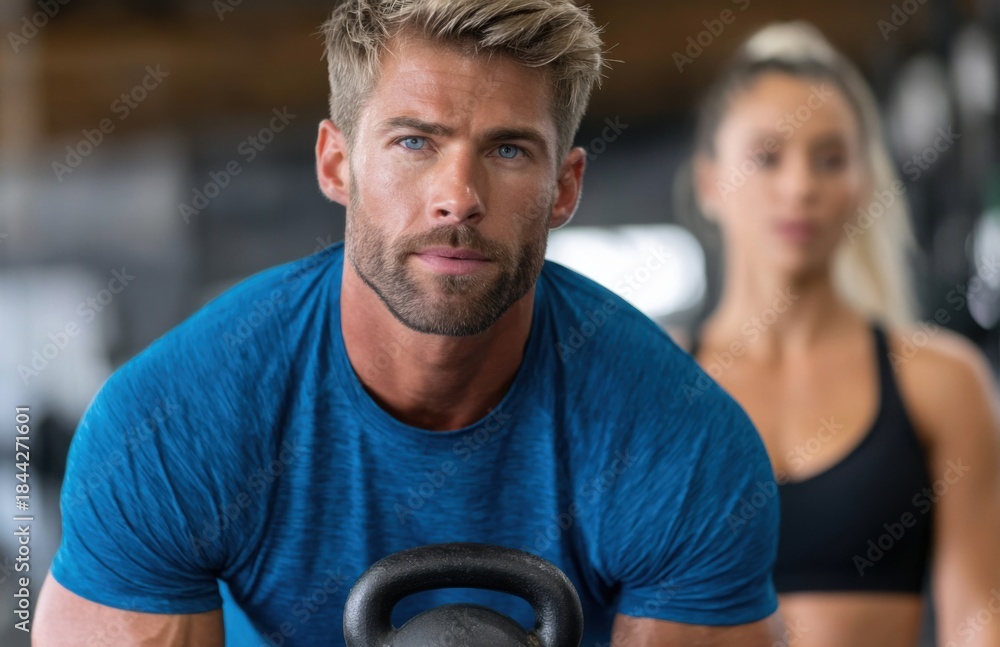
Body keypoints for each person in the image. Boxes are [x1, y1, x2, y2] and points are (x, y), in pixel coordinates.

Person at [35, 1, 786, 645]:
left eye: (508, 148)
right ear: (336, 165)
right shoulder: (163, 426)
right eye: (414, 142)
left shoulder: (685, 446)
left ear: (565, 188)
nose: (458, 196)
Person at [681, 21, 1000, 647]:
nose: (801, 188)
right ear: (710, 182)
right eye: (767, 158)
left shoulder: (940, 381)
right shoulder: (651, 378)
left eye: (830, 159)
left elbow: (980, 620)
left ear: (861, 186)